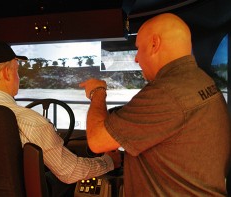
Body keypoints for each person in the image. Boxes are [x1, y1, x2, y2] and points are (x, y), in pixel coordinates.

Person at [79, 13, 231, 196]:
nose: (136, 58)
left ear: (154, 44)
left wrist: (98, 92)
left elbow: (97, 141)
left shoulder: (167, 92)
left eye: (138, 48)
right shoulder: (202, 81)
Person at [0, 40, 121, 197]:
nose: (18, 77)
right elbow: (71, 173)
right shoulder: (29, 122)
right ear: (6, 73)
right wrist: (108, 161)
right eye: (17, 71)